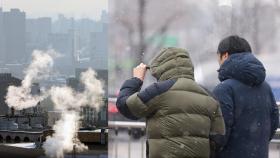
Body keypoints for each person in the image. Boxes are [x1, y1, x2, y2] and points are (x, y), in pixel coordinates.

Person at [116, 47, 225, 158]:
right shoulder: (210, 97)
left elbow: (125, 106)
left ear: (160, 68)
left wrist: (136, 79)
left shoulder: (158, 91)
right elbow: (218, 139)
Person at [213, 35, 279, 158]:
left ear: (225, 55)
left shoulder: (224, 89)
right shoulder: (266, 87)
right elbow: (275, 121)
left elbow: (220, 133)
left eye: (218, 57)